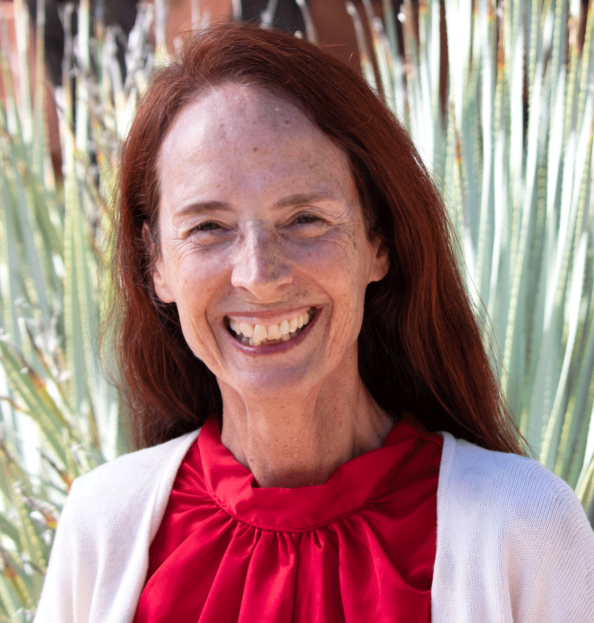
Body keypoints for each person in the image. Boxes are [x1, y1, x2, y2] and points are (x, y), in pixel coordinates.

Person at [34, 23, 594, 623]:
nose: (259, 274)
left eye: (305, 218)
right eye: (208, 227)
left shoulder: (524, 528)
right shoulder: (103, 525)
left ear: (379, 240)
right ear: (158, 266)